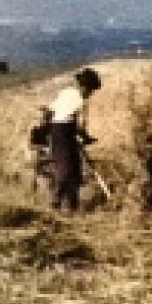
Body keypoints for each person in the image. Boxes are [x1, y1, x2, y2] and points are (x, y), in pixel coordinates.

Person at [47, 67, 101, 211]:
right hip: (61, 134)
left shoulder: (66, 92)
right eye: (90, 90)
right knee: (65, 170)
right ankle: (55, 202)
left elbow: (51, 111)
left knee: (74, 170)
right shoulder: (80, 101)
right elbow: (80, 126)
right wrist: (85, 137)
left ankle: (72, 205)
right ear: (84, 87)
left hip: (61, 131)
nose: (90, 94)